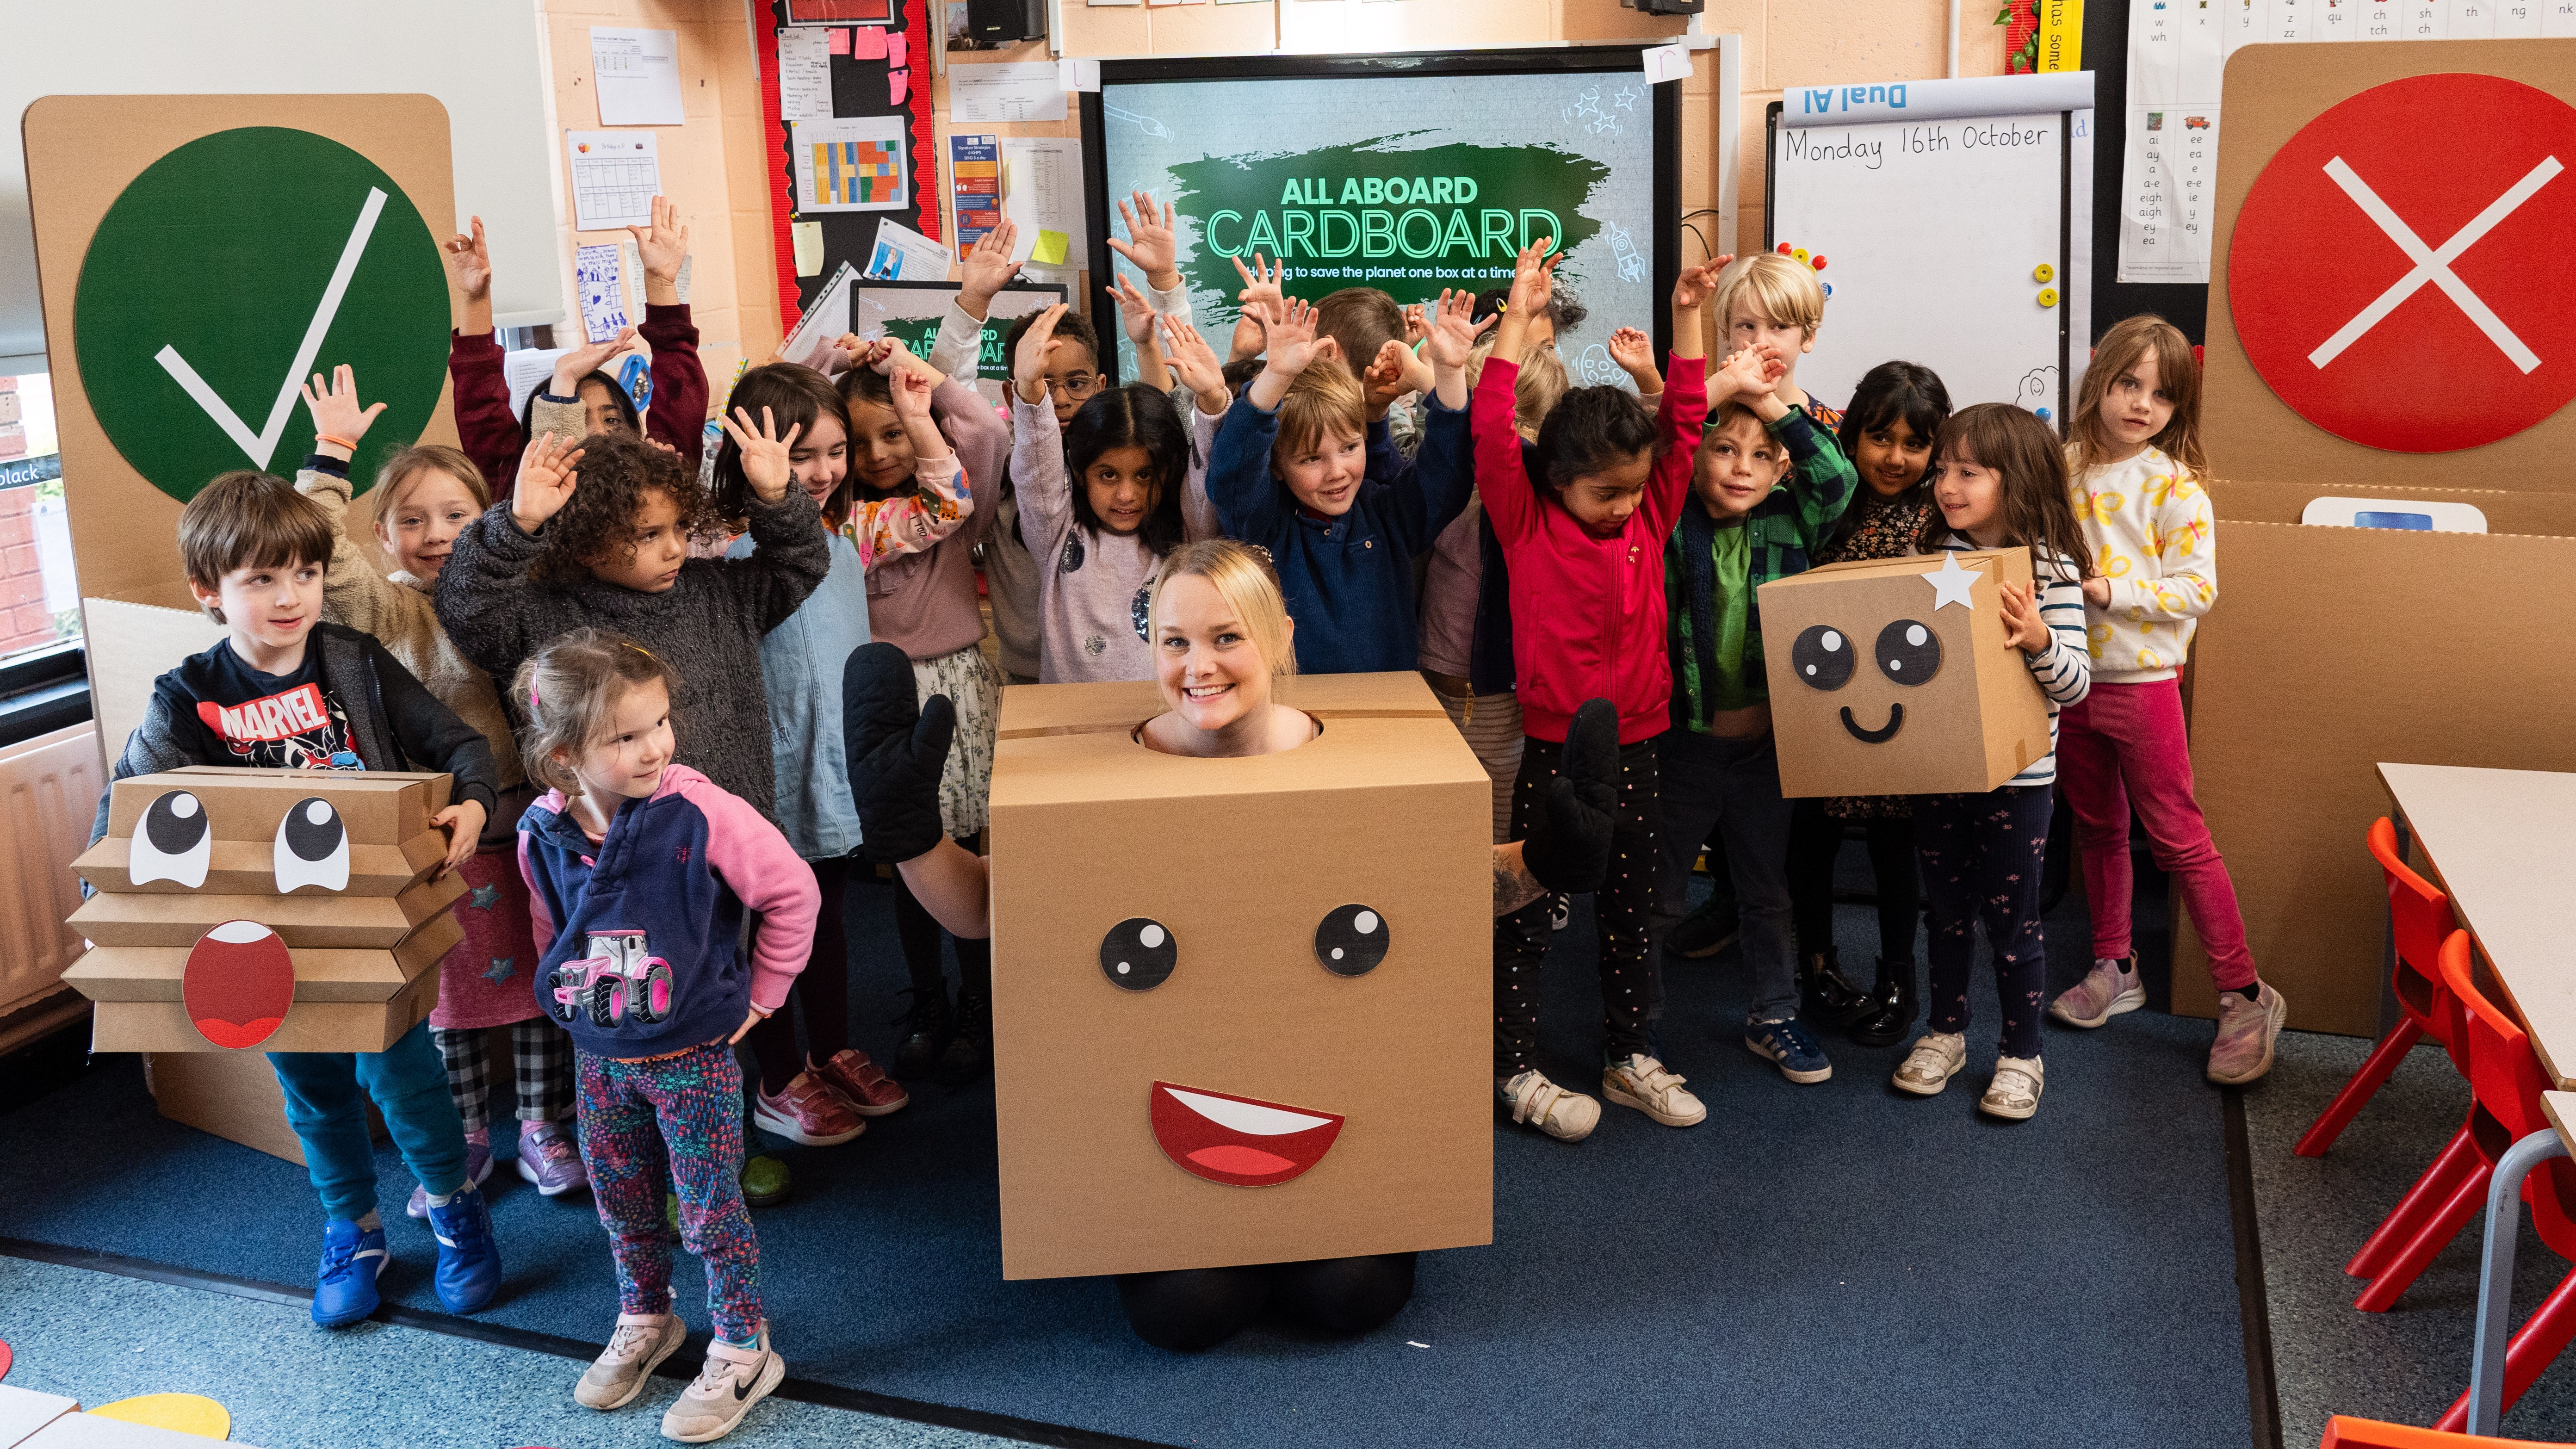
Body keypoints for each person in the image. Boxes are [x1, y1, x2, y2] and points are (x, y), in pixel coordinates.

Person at [837, 539, 1624, 1350]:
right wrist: (912, 836)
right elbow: (981, 907)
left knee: (1356, 1291)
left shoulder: (1350, 774)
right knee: (1185, 1310)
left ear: (1280, 638)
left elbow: (1438, 884)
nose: (1198, 665)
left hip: (1323, 1084)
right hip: (1171, 1100)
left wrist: (1545, 862)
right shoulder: (1108, 787)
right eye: (1174, 641)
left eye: (1225, 637)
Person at [89, 469, 502, 1329]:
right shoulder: (189, 693)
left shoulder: (351, 660)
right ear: (210, 591)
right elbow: (128, 807)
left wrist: (471, 800)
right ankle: (351, 1229)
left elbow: (457, 741)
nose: (291, 596)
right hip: (258, 938)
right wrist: (113, 903)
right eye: (261, 580)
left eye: (306, 574)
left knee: (406, 1079)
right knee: (312, 1088)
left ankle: (456, 1212)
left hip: (366, 928)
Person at [290, 366, 584, 1209]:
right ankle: (463, 1139)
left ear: (488, 520)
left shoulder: (518, 590)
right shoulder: (385, 611)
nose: (435, 532)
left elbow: (549, 490)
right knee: (447, 997)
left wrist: (560, 398)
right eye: (411, 519)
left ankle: (543, 1126)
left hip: (525, 825)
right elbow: (316, 554)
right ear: (380, 534)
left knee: (538, 981)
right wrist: (331, 455)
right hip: (435, 842)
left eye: (457, 515)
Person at [513, 632, 817, 1443]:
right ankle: (647, 1315)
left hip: (692, 1060)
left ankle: (743, 1343)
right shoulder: (537, 833)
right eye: (626, 735)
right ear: (564, 752)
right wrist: (576, 1010)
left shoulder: (701, 811)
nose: (655, 746)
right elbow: (550, 929)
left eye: (659, 722)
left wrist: (763, 993)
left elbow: (794, 893)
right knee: (620, 1201)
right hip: (600, 1059)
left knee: (710, 1208)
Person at [1474, 239, 1725, 1141]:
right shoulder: (1526, 522)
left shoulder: (1648, 517)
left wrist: (1689, 314)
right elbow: (1491, 430)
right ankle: (1512, 1068)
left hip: (1642, 748)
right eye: (1603, 494)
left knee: (1636, 909)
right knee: (1531, 913)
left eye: (1632, 490)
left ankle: (1628, 1057)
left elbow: (1686, 425)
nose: (1624, 506)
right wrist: (1514, 320)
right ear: (1557, 483)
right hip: (1553, 752)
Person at [713, 358, 969, 1146]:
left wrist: (917, 410)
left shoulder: (849, 530)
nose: (821, 472)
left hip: (829, 769)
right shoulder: (716, 547)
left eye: (832, 452)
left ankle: (828, 1048)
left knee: (822, 916)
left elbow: (949, 502)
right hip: (759, 769)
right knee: (762, 924)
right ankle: (779, 1072)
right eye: (799, 455)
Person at [2046, 315, 2285, 1083]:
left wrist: (2105, 589)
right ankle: (2114, 965)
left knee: (2178, 837)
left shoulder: (2174, 485)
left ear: (2178, 406)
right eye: (2126, 384)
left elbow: (2197, 589)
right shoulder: (2062, 465)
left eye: (2161, 393)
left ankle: (2244, 994)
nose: (2141, 404)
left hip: (2141, 684)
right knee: (2094, 828)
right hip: (2065, 678)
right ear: (2099, 382)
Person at [1649, 340, 1860, 1086]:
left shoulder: (1789, 521)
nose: (1740, 466)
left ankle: (1773, 1013)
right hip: (1682, 744)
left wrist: (1772, 403)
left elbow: (1836, 478)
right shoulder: (1670, 515)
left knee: (1766, 892)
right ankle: (1632, 1023)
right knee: (1661, 891)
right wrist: (1721, 388)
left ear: (1779, 470)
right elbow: (1656, 443)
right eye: (1724, 449)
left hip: (1764, 747)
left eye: (1761, 453)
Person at [1890, 403, 2092, 1121]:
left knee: (2013, 923)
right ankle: (1946, 1033)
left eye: (1968, 472)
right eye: (1943, 469)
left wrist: (2038, 636)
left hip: (2018, 783)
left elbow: (2075, 685)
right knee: (1943, 912)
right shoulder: (1933, 560)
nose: (1947, 483)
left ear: (2018, 478)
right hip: (1941, 773)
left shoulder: (2051, 566)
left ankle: (2021, 1053)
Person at [833, 335, 1012, 1085]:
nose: (879, 453)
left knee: (967, 853)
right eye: (859, 440)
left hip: (955, 693)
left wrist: (925, 386)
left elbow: (990, 432)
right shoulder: (839, 526)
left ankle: (979, 1002)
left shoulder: (951, 507)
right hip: (881, 698)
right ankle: (926, 1003)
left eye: (893, 432)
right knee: (903, 859)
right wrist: (827, 370)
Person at [1779, 361, 1953, 1048]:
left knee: (1894, 850)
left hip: (1903, 718)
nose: (1896, 457)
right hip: (1821, 706)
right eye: (1882, 438)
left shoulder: (1938, 514)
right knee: (1811, 844)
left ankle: (1898, 978)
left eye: (1915, 445)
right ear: (1853, 435)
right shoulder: (1828, 497)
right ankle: (1817, 967)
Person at [1203, 290, 1485, 675]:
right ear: (1276, 467)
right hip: (1293, 720)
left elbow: (1446, 476)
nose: (1337, 471)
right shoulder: (1265, 525)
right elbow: (1231, 474)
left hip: (1387, 717)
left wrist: (1449, 376)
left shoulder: (1386, 514)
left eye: (1350, 447)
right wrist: (1276, 374)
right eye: (1311, 458)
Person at [1007, 303, 1224, 683]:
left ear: (1168, 473)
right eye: (1108, 475)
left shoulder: (1189, 534)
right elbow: (1036, 470)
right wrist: (1028, 389)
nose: (1127, 495)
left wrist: (1213, 401)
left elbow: (1208, 466)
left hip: (1169, 723)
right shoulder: (1056, 534)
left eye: (1144, 476)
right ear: (1078, 471)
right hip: (1073, 729)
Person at [441, 201, 710, 497]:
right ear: (541, 434)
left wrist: (660, 281)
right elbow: (481, 409)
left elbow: (681, 395)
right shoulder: (524, 492)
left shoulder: (659, 478)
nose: (598, 433)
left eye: (612, 420)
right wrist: (475, 300)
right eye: (577, 420)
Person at [1711, 252, 1841, 429]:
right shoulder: (1708, 415)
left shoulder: (1833, 431)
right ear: (1727, 333)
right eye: (1747, 326)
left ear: (1808, 337)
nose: (1760, 341)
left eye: (1780, 327)